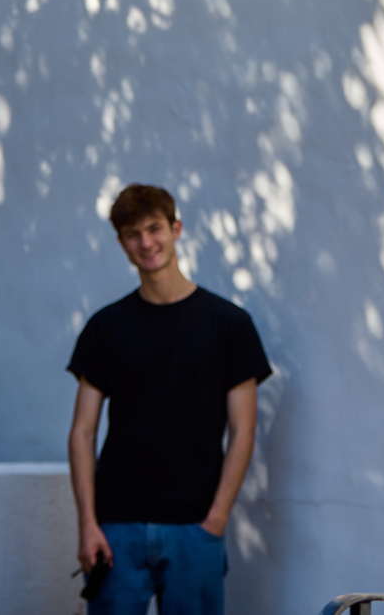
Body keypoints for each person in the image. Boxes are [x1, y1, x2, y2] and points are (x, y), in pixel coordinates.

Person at [67, 184, 272, 615]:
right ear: (121, 244)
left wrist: (215, 520)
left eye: (154, 228)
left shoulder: (229, 324)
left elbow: (244, 429)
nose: (146, 242)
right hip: (116, 527)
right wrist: (88, 524)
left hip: (196, 525)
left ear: (176, 228)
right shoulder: (105, 327)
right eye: (132, 234)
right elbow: (82, 432)